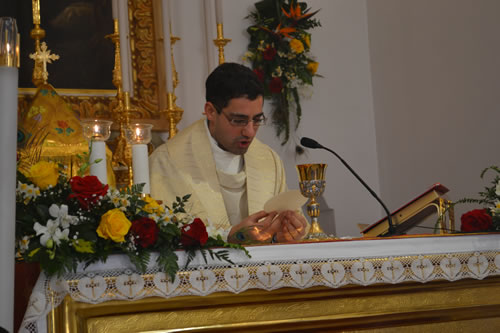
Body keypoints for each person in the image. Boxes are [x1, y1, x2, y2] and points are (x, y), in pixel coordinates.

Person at [149, 63, 307, 244]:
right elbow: (165, 240)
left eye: (257, 120)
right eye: (238, 120)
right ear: (210, 111)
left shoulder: (268, 160)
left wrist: (286, 232)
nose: (250, 131)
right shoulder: (167, 162)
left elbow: (286, 225)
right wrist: (231, 237)